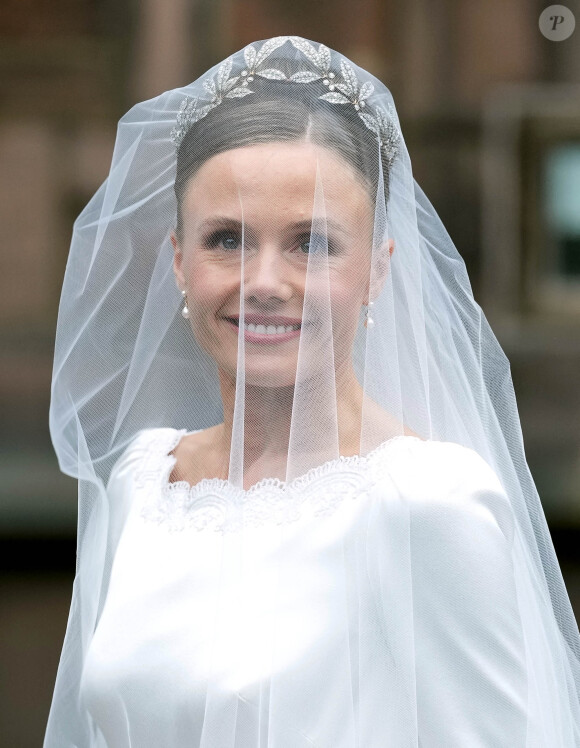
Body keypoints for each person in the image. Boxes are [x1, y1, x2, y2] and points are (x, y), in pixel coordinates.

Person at [45, 37, 580, 746]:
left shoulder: (426, 505)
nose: (265, 282)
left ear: (379, 271)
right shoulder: (143, 486)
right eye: (227, 240)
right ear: (178, 261)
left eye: (313, 243)